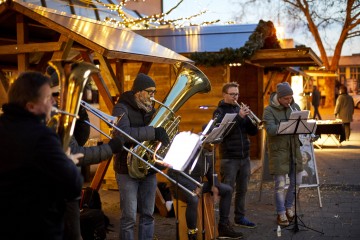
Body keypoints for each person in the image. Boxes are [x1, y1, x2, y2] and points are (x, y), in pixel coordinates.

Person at [0, 71, 83, 239]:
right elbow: (74, 185)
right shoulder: (42, 136)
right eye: (47, 98)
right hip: (37, 227)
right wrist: (67, 161)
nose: (53, 102)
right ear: (31, 106)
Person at [112, 73, 170, 240]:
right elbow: (122, 134)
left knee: (148, 214)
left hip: (148, 168)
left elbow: (161, 131)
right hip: (126, 169)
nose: (153, 96)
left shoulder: (151, 109)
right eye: (150, 91)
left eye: (154, 92)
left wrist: (164, 135)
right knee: (129, 217)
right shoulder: (121, 107)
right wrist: (153, 132)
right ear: (138, 91)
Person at [168, 131, 242, 239]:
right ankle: (192, 233)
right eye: (213, 143)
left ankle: (223, 226)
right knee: (193, 199)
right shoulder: (188, 150)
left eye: (216, 144)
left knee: (227, 189)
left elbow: (211, 171)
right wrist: (192, 187)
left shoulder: (209, 152)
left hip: (198, 185)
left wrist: (215, 185)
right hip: (181, 186)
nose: (215, 147)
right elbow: (172, 173)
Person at [212, 82, 258, 229]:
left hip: (244, 157)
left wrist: (250, 120)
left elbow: (253, 132)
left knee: (242, 189)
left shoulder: (239, 109)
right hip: (229, 157)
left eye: (237, 94)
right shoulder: (219, 112)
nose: (235, 97)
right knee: (227, 190)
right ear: (224, 94)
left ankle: (240, 217)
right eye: (232, 94)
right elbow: (223, 133)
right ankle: (224, 222)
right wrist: (239, 117)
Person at [263, 82, 304, 226]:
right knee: (280, 185)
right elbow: (270, 130)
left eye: (291, 98)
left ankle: (289, 207)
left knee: (297, 183)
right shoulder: (269, 110)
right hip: (279, 152)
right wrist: (285, 126)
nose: (289, 101)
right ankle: (281, 213)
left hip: (294, 150)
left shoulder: (295, 107)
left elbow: (301, 125)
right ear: (279, 98)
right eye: (286, 98)